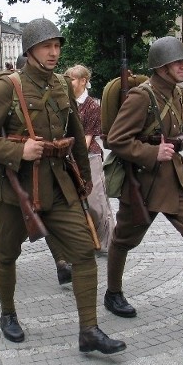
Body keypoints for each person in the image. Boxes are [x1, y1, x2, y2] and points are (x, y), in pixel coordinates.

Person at [0, 18, 126, 354]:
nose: (54, 52)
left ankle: (89, 330)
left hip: (58, 185)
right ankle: (8, 313)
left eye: (57, 46)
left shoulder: (60, 86)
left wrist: (83, 180)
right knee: (6, 254)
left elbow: (77, 141)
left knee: (84, 252)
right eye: (46, 46)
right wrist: (17, 150)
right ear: (30, 50)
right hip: (18, 190)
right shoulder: (9, 86)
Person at [104, 37, 183, 327]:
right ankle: (113, 292)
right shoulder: (142, 96)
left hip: (174, 179)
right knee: (123, 239)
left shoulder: (175, 92)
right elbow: (116, 139)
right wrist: (151, 152)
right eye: (177, 62)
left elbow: (169, 132)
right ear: (161, 67)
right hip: (144, 184)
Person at [0, 54, 72, 285]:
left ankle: (61, 261)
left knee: (43, 214)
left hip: (45, 170)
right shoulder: (0, 87)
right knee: (8, 242)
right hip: (11, 169)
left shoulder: (52, 84)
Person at [64, 64, 115, 254]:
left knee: (96, 201)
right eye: (68, 79)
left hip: (89, 156)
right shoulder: (67, 102)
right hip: (69, 156)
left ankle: (109, 241)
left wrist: (74, 156)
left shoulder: (92, 105)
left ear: (84, 81)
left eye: (74, 79)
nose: (70, 83)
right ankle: (85, 240)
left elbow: (86, 138)